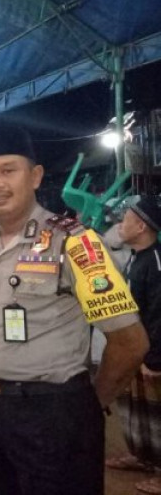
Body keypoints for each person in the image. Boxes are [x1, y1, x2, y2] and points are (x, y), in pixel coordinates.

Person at [0, 126, 148, 495]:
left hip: (54, 415)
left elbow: (130, 341)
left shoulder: (76, 242)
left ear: (35, 176)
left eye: (8, 170)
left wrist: (88, 405)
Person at [107, 196, 161, 493]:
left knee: (156, 415)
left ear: (141, 226)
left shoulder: (155, 262)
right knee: (136, 410)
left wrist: (154, 359)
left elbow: (158, 314)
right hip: (135, 352)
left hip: (151, 355)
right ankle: (141, 455)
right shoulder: (135, 257)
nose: (119, 225)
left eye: (125, 219)